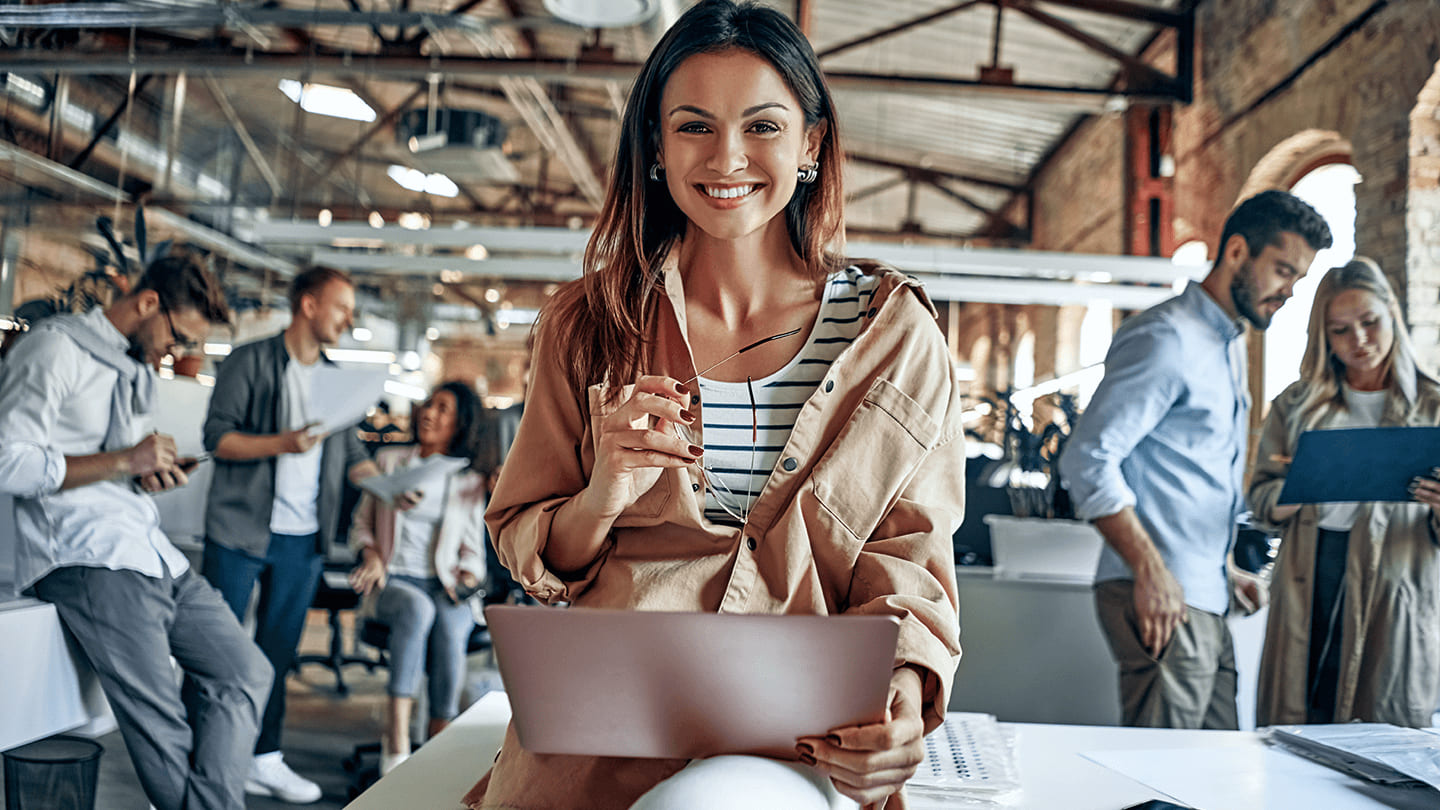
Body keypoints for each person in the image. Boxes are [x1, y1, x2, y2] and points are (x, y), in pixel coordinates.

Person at [464, 3, 965, 808]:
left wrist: (905, 689)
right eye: (694, 126)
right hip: (599, 748)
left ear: (811, 144)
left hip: (804, 741)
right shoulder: (588, 325)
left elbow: (911, 560)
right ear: (656, 149)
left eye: (762, 125)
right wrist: (600, 499)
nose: (727, 157)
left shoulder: (895, 336)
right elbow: (528, 541)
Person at [0, 255, 271, 810]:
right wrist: (126, 458)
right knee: (163, 727)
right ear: (149, 304)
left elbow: (112, 472)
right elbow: (8, 461)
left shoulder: (134, 369)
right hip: (87, 559)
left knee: (245, 672)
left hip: (151, 553)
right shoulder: (55, 349)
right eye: (179, 337)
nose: (180, 353)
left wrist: (143, 475)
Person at [1058, 190, 1333, 729]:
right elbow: (1088, 458)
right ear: (1236, 252)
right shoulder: (1167, 338)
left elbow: (1184, 474)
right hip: (1166, 593)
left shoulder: (1225, 341)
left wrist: (1221, 569)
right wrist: (1152, 569)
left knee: (1212, 775)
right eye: (1281, 270)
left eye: (1297, 279)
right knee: (1167, 784)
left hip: (1202, 592)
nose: (1288, 292)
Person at [201, 265, 382, 803]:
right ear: (308, 304)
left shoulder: (337, 379)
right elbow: (218, 438)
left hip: (302, 539)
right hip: (239, 530)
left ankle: (264, 757)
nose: (349, 319)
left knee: (276, 653)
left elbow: (350, 455)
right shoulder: (249, 361)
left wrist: (394, 486)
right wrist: (283, 442)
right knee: (216, 650)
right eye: (342, 306)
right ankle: (201, 757)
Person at [1248, 258, 1440, 726]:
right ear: (1323, 336)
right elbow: (1258, 499)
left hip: (1395, 579)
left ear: (1391, 315)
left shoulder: (1433, 407)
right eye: (1340, 330)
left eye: (1370, 322)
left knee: (1381, 729)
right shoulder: (1295, 405)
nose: (1359, 341)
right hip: (1310, 572)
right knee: (1300, 716)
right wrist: (1302, 484)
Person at [348, 381, 489, 774]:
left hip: (443, 585)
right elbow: (359, 525)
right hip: (393, 582)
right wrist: (372, 554)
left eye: (443, 409)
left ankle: (437, 740)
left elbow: (474, 554)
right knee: (417, 608)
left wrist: (466, 575)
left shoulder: (467, 480)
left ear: (459, 424)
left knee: (449, 619)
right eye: (429, 405)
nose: (429, 413)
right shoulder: (390, 461)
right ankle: (395, 739)